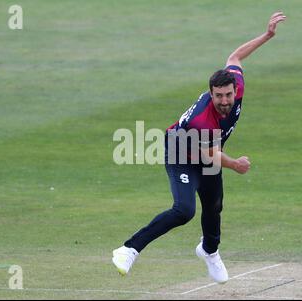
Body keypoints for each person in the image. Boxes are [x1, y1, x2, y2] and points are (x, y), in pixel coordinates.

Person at [112, 12, 286, 283]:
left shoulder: (236, 85)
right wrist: (237, 164)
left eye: (228, 94)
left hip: (206, 152)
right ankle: (129, 248)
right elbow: (210, 155)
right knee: (184, 210)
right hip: (181, 151)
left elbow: (234, 58)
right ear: (211, 93)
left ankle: (209, 251)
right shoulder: (202, 120)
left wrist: (267, 35)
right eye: (219, 96)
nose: (225, 100)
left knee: (214, 205)